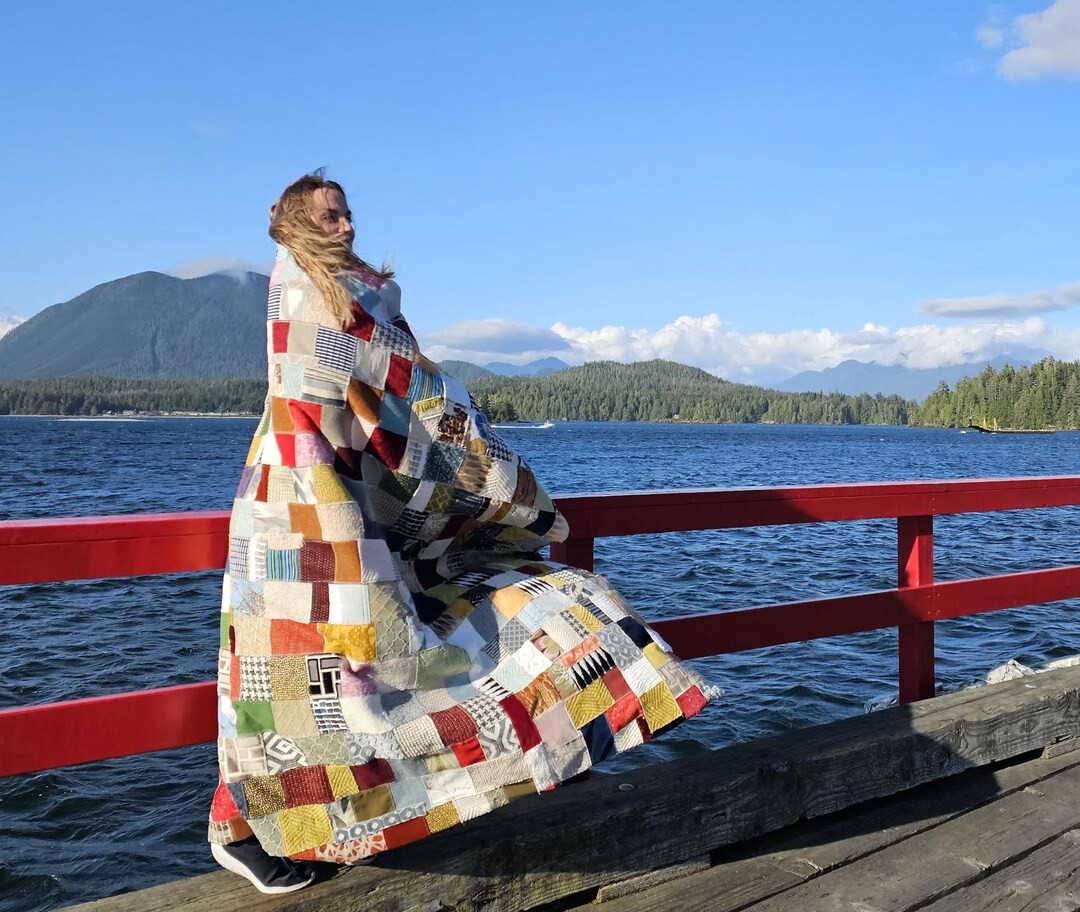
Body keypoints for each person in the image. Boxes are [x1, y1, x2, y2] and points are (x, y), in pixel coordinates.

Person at [208, 171, 717, 894]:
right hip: (302, 501)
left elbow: (389, 396)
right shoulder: (316, 294)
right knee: (308, 669)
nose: (348, 226)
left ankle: (265, 824)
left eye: (351, 214)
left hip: (320, 494)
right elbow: (412, 396)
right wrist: (504, 484)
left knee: (307, 672)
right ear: (296, 222)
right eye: (331, 216)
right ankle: (246, 828)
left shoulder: (338, 294)